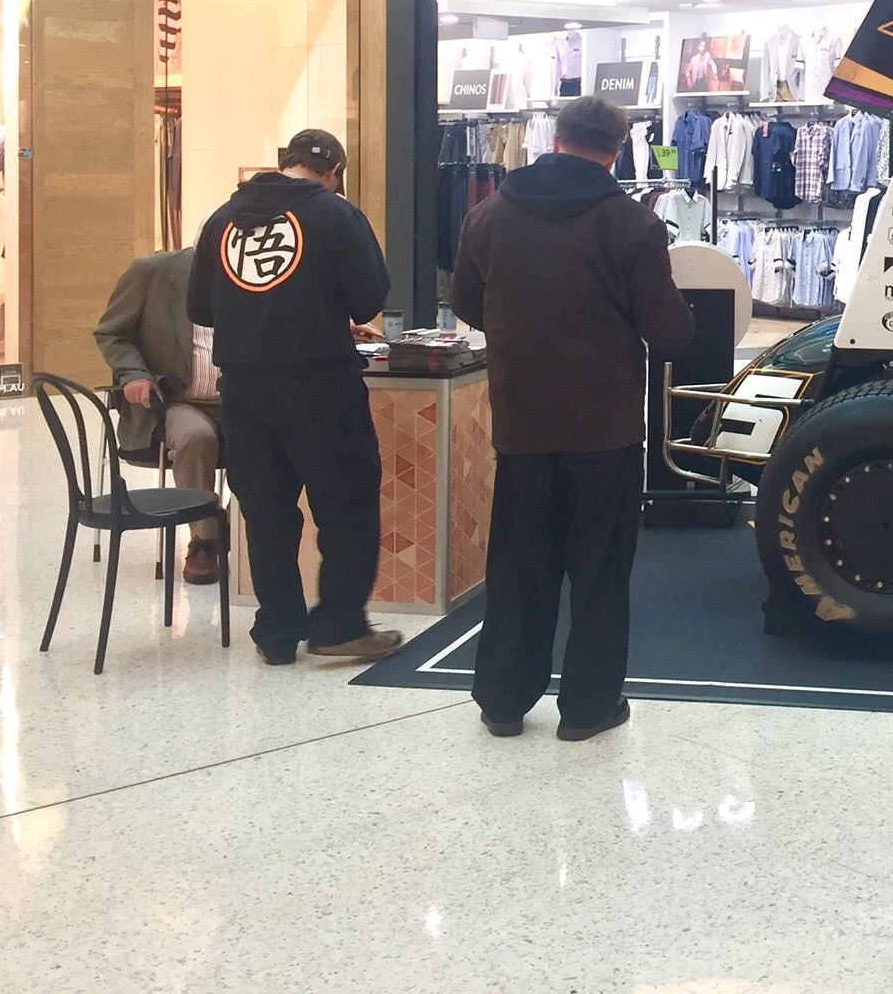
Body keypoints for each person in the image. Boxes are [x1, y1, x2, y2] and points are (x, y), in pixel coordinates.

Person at [452, 95, 695, 741]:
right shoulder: (631, 225)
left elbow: (468, 305)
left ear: (555, 139)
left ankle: (502, 701)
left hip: (522, 423)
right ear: (616, 151)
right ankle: (587, 708)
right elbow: (667, 332)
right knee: (599, 573)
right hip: (604, 427)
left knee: (518, 566)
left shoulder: (488, 215)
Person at [186, 129, 402, 665]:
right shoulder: (335, 215)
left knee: (267, 514)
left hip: (243, 391)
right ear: (333, 173)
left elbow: (201, 308)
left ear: (286, 163)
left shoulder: (221, 220)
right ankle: (338, 625)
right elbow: (369, 295)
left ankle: (278, 631)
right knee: (346, 509)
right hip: (320, 388)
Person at [94, 247, 224, 585]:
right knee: (196, 437)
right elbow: (112, 332)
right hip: (174, 400)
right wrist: (133, 373)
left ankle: (262, 538)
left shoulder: (255, 277)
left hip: (241, 398)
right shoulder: (151, 272)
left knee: (279, 433)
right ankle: (205, 540)